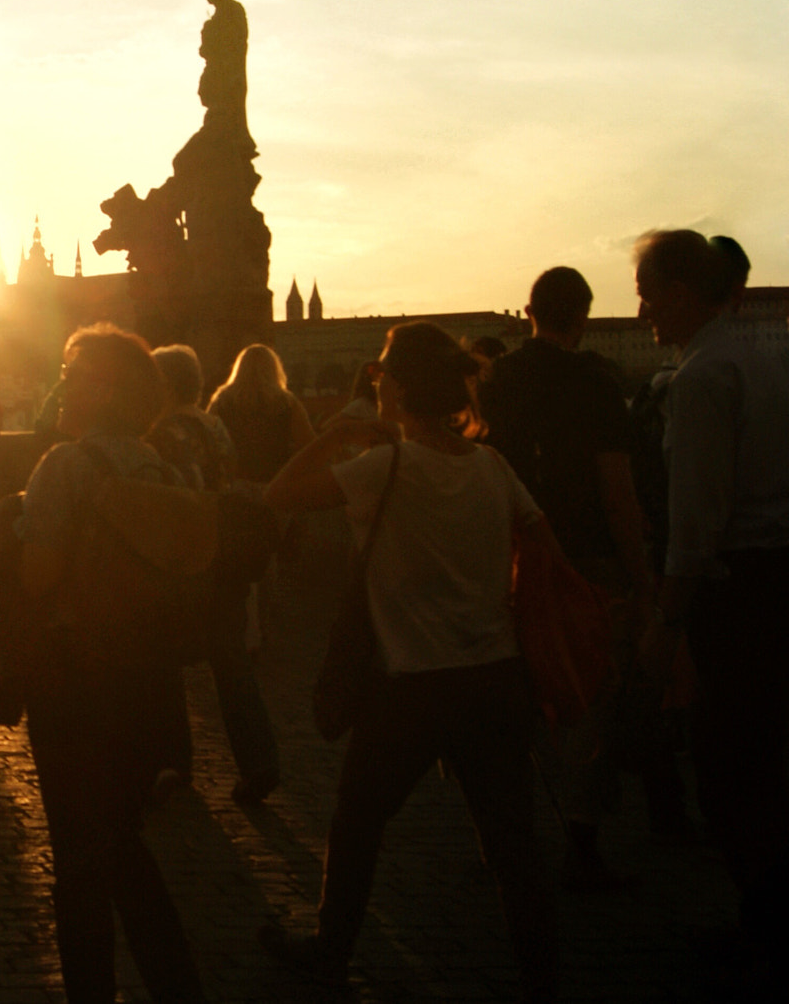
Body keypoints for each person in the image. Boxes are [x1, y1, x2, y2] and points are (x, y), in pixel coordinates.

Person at [260, 322, 558, 1000]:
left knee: (358, 821)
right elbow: (542, 543)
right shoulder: (492, 465)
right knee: (514, 842)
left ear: (398, 385)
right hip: (492, 676)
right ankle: (543, 973)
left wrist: (336, 433)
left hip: (411, 684)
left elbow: (279, 493)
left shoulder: (384, 466)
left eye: (380, 372)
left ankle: (330, 951)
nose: (375, 380)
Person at [11, 324, 206, 1004]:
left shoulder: (64, 467)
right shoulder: (164, 467)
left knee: (79, 854)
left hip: (73, 677)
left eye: (72, 371)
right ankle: (175, 981)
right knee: (122, 839)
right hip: (144, 677)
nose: (61, 382)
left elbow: (38, 577)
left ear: (102, 388)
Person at [635, 229, 789, 985]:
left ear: (684, 295)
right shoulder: (757, 360)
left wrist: (667, 622)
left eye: (648, 292)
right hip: (774, 578)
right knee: (765, 761)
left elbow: (695, 523)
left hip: (734, 592)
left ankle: (765, 926)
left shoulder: (699, 379)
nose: (640, 309)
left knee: (729, 770)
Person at [480, 266, 656, 888]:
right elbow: (617, 490)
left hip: (514, 554)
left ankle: (511, 828)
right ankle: (580, 830)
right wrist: (642, 576)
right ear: (582, 316)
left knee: (518, 687)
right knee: (595, 691)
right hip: (587, 556)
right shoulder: (597, 384)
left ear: (528, 311)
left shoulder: (496, 379)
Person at [148, 344, 280, 805]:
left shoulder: (164, 432)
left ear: (163, 384)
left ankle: (173, 762)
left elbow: (171, 501)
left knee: (162, 661)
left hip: (187, 562)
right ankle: (260, 760)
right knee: (231, 666)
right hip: (226, 556)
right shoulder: (215, 424)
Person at [207, 344, 313, 483]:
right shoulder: (287, 403)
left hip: (235, 481)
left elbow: (208, 438)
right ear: (274, 370)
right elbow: (307, 443)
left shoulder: (222, 401)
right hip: (276, 480)